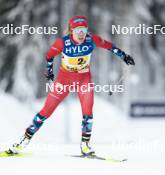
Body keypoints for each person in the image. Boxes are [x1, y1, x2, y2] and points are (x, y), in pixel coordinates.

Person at [8, 16, 135, 156]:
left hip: (84, 79)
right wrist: (49, 72)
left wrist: (124, 56)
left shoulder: (91, 39)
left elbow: (109, 46)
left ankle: (85, 145)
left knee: (88, 111)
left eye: (84, 30)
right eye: (78, 30)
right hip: (64, 80)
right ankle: (23, 140)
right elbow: (49, 56)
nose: (81, 34)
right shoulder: (62, 43)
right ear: (71, 30)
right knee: (46, 111)